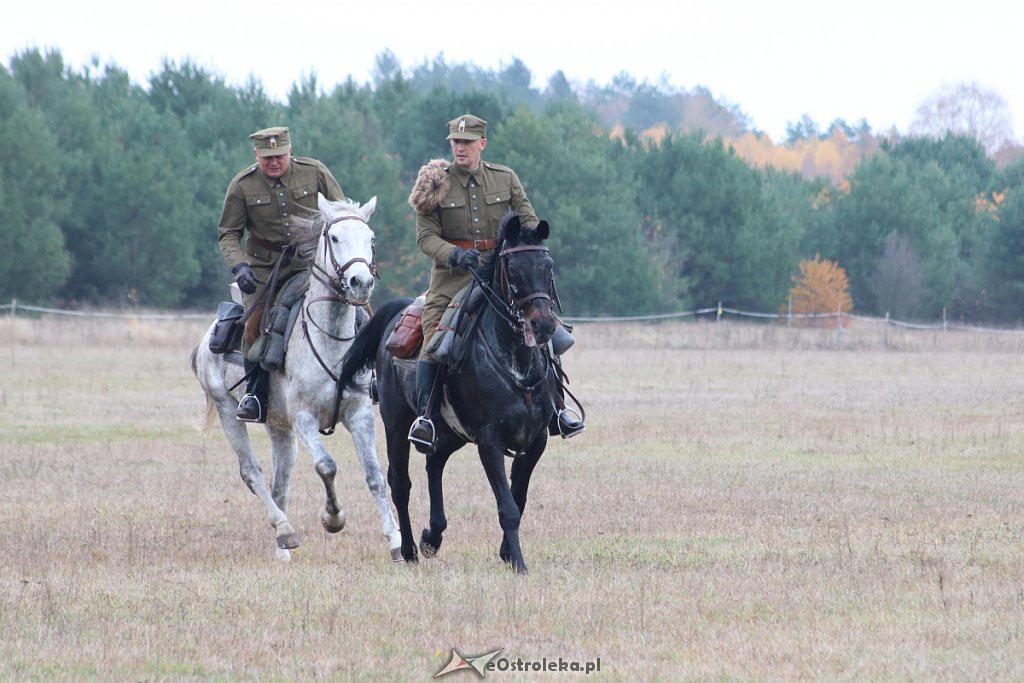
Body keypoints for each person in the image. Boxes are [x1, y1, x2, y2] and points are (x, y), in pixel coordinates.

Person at [406, 114, 584, 452]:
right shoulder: (435, 182)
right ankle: (427, 418)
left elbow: (528, 217)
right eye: (456, 143)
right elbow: (425, 237)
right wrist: (452, 255)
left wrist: (521, 244)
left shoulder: (505, 178)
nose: (461, 148)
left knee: (543, 326)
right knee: (436, 336)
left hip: (503, 274)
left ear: (482, 144)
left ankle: (558, 410)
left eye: (468, 143)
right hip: (453, 277)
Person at [218, 126, 344, 422]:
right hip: (264, 269)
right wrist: (240, 265)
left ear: (290, 151)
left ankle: (370, 377)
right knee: (253, 325)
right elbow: (228, 234)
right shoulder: (242, 185)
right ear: (256, 155)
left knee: (360, 307)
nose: (273, 162)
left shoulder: (315, 172)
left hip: (313, 262)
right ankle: (255, 395)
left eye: (279, 156)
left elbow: (339, 213)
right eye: (267, 158)